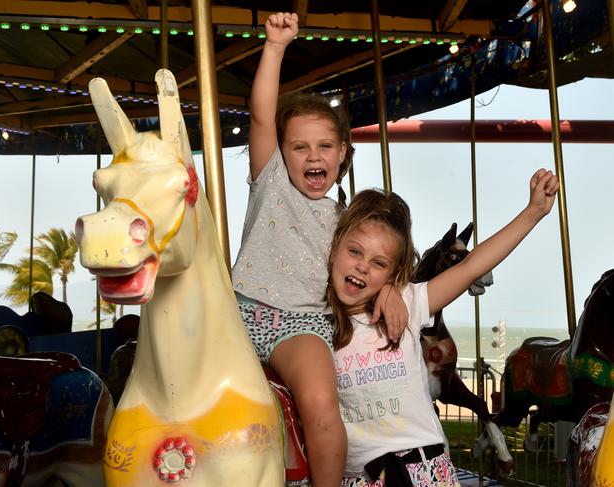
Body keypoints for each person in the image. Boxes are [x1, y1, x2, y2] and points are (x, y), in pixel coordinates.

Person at [231, 12, 408, 487]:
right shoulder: (270, 183)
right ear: (281, 153)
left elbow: (369, 260)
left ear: (343, 153)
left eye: (325, 146)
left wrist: (389, 286)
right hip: (239, 311)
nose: (313, 157)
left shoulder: (346, 219)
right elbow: (262, 115)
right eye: (300, 147)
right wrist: (275, 48)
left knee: (319, 403)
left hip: (300, 323)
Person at [327, 169, 559, 486]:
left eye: (379, 263)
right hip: (362, 477)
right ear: (335, 247)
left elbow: (471, 266)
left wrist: (533, 213)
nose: (363, 266)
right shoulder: (316, 324)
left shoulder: (408, 303)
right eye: (355, 251)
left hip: (425, 469)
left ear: (393, 274)